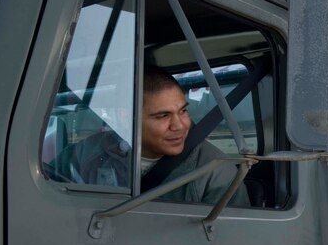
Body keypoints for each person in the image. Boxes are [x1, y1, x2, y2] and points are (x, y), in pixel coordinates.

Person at [49, 66, 248, 206]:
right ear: (127, 118)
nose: (179, 125)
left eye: (183, 111)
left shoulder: (215, 170)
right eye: (163, 115)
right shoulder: (86, 153)